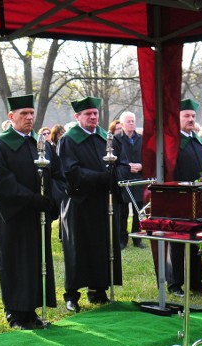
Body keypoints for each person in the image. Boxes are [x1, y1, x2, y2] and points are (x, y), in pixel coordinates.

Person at [0, 94, 66, 329]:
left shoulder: (42, 144)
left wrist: (51, 200)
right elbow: (0, 183)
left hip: (37, 218)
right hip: (13, 218)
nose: (29, 118)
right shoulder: (0, 145)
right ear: (12, 117)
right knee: (15, 263)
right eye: (24, 114)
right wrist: (33, 199)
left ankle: (32, 309)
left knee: (36, 262)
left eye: (32, 113)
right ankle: (15, 313)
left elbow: (59, 176)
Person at [58, 96, 129, 312]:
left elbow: (124, 165)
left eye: (95, 113)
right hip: (80, 203)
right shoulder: (69, 140)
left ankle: (99, 290)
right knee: (78, 249)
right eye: (88, 114)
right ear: (77, 116)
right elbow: (71, 172)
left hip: (105, 203)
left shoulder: (109, 139)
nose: (93, 117)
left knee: (103, 245)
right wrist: (102, 178)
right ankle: (72, 294)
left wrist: (115, 176)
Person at [167, 99, 202, 295]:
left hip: (200, 199)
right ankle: (175, 283)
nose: (191, 119)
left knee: (198, 240)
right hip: (178, 199)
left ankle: (196, 280)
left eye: (193, 116)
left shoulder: (200, 141)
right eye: (186, 116)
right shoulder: (172, 143)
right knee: (177, 243)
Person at [114, 111, 145, 248]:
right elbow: (114, 160)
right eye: (128, 121)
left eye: (133, 121)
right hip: (123, 180)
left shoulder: (141, 139)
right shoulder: (116, 140)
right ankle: (122, 239)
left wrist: (141, 166)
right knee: (123, 212)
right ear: (122, 124)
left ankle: (137, 239)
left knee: (139, 211)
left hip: (138, 179)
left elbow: (147, 158)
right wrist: (127, 167)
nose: (131, 123)